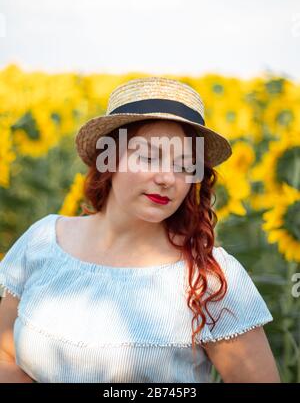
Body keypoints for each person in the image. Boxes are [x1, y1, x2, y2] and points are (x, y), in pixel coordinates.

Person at [0, 77, 281, 383]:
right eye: (148, 157)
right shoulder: (43, 240)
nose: (167, 178)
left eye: (184, 166)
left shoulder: (209, 276)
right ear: (108, 160)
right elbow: (5, 354)